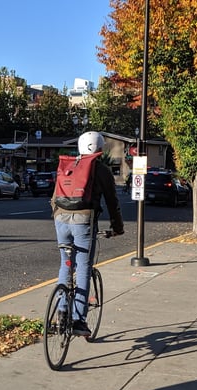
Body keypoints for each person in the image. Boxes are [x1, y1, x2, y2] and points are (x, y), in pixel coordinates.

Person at [51, 131, 124, 336]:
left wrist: (58, 216)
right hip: (83, 221)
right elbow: (112, 202)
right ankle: (78, 321)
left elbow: (54, 197)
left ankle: (61, 312)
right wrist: (117, 228)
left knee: (66, 262)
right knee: (83, 266)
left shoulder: (68, 166)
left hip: (60, 219)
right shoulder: (101, 170)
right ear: (100, 150)